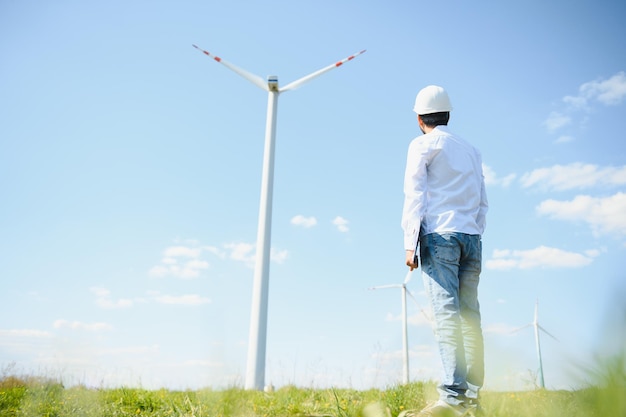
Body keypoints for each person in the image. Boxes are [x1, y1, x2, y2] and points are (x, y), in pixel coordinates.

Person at [401, 85, 488, 417]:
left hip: (440, 237)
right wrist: (474, 233)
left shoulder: (422, 144)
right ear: (448, 115)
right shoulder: (471, 149)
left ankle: (452, 399)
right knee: (471, 318)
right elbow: (482, 201)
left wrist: (411, 243)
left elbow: (415, 194)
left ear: (420, 119)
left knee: (447, 317)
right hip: (471, 238)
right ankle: (472, 400)